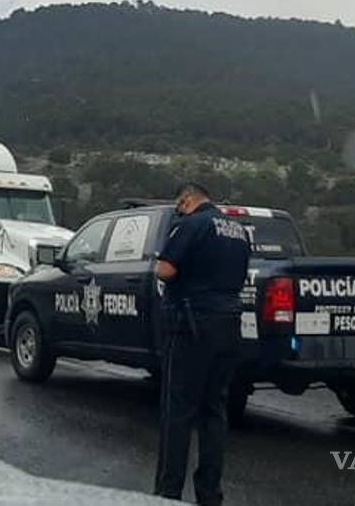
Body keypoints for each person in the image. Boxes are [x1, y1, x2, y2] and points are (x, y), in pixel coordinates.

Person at [153, 183, 250, 504]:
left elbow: (165, 270)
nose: (178, 211)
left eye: (179, 205)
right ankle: (210, 493)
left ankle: (167, 494)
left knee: (177, 412)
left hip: (192, 326)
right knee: (214, 412)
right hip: (229, 326)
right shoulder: (237, 230)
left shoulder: (191, 225)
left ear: (188, 199)